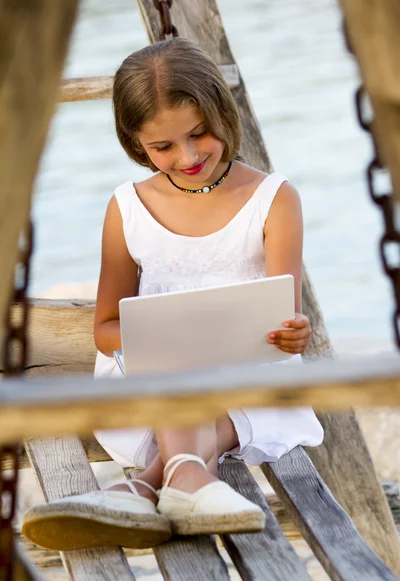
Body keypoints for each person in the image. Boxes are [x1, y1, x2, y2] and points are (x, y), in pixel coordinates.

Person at [22, 37, 324, 552]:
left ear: (221, 113)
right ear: (136, 143)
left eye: (199, 134)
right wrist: (156, 345)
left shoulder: (274, 199)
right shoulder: (127, 208)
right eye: (163, 147)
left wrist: (293, 334)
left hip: (250, 382)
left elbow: (282, 322)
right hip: (152, 382)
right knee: (177, 364)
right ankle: (184, 479)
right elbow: (105, 330)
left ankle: (141, 487)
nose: (187, 156)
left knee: (203, 385)